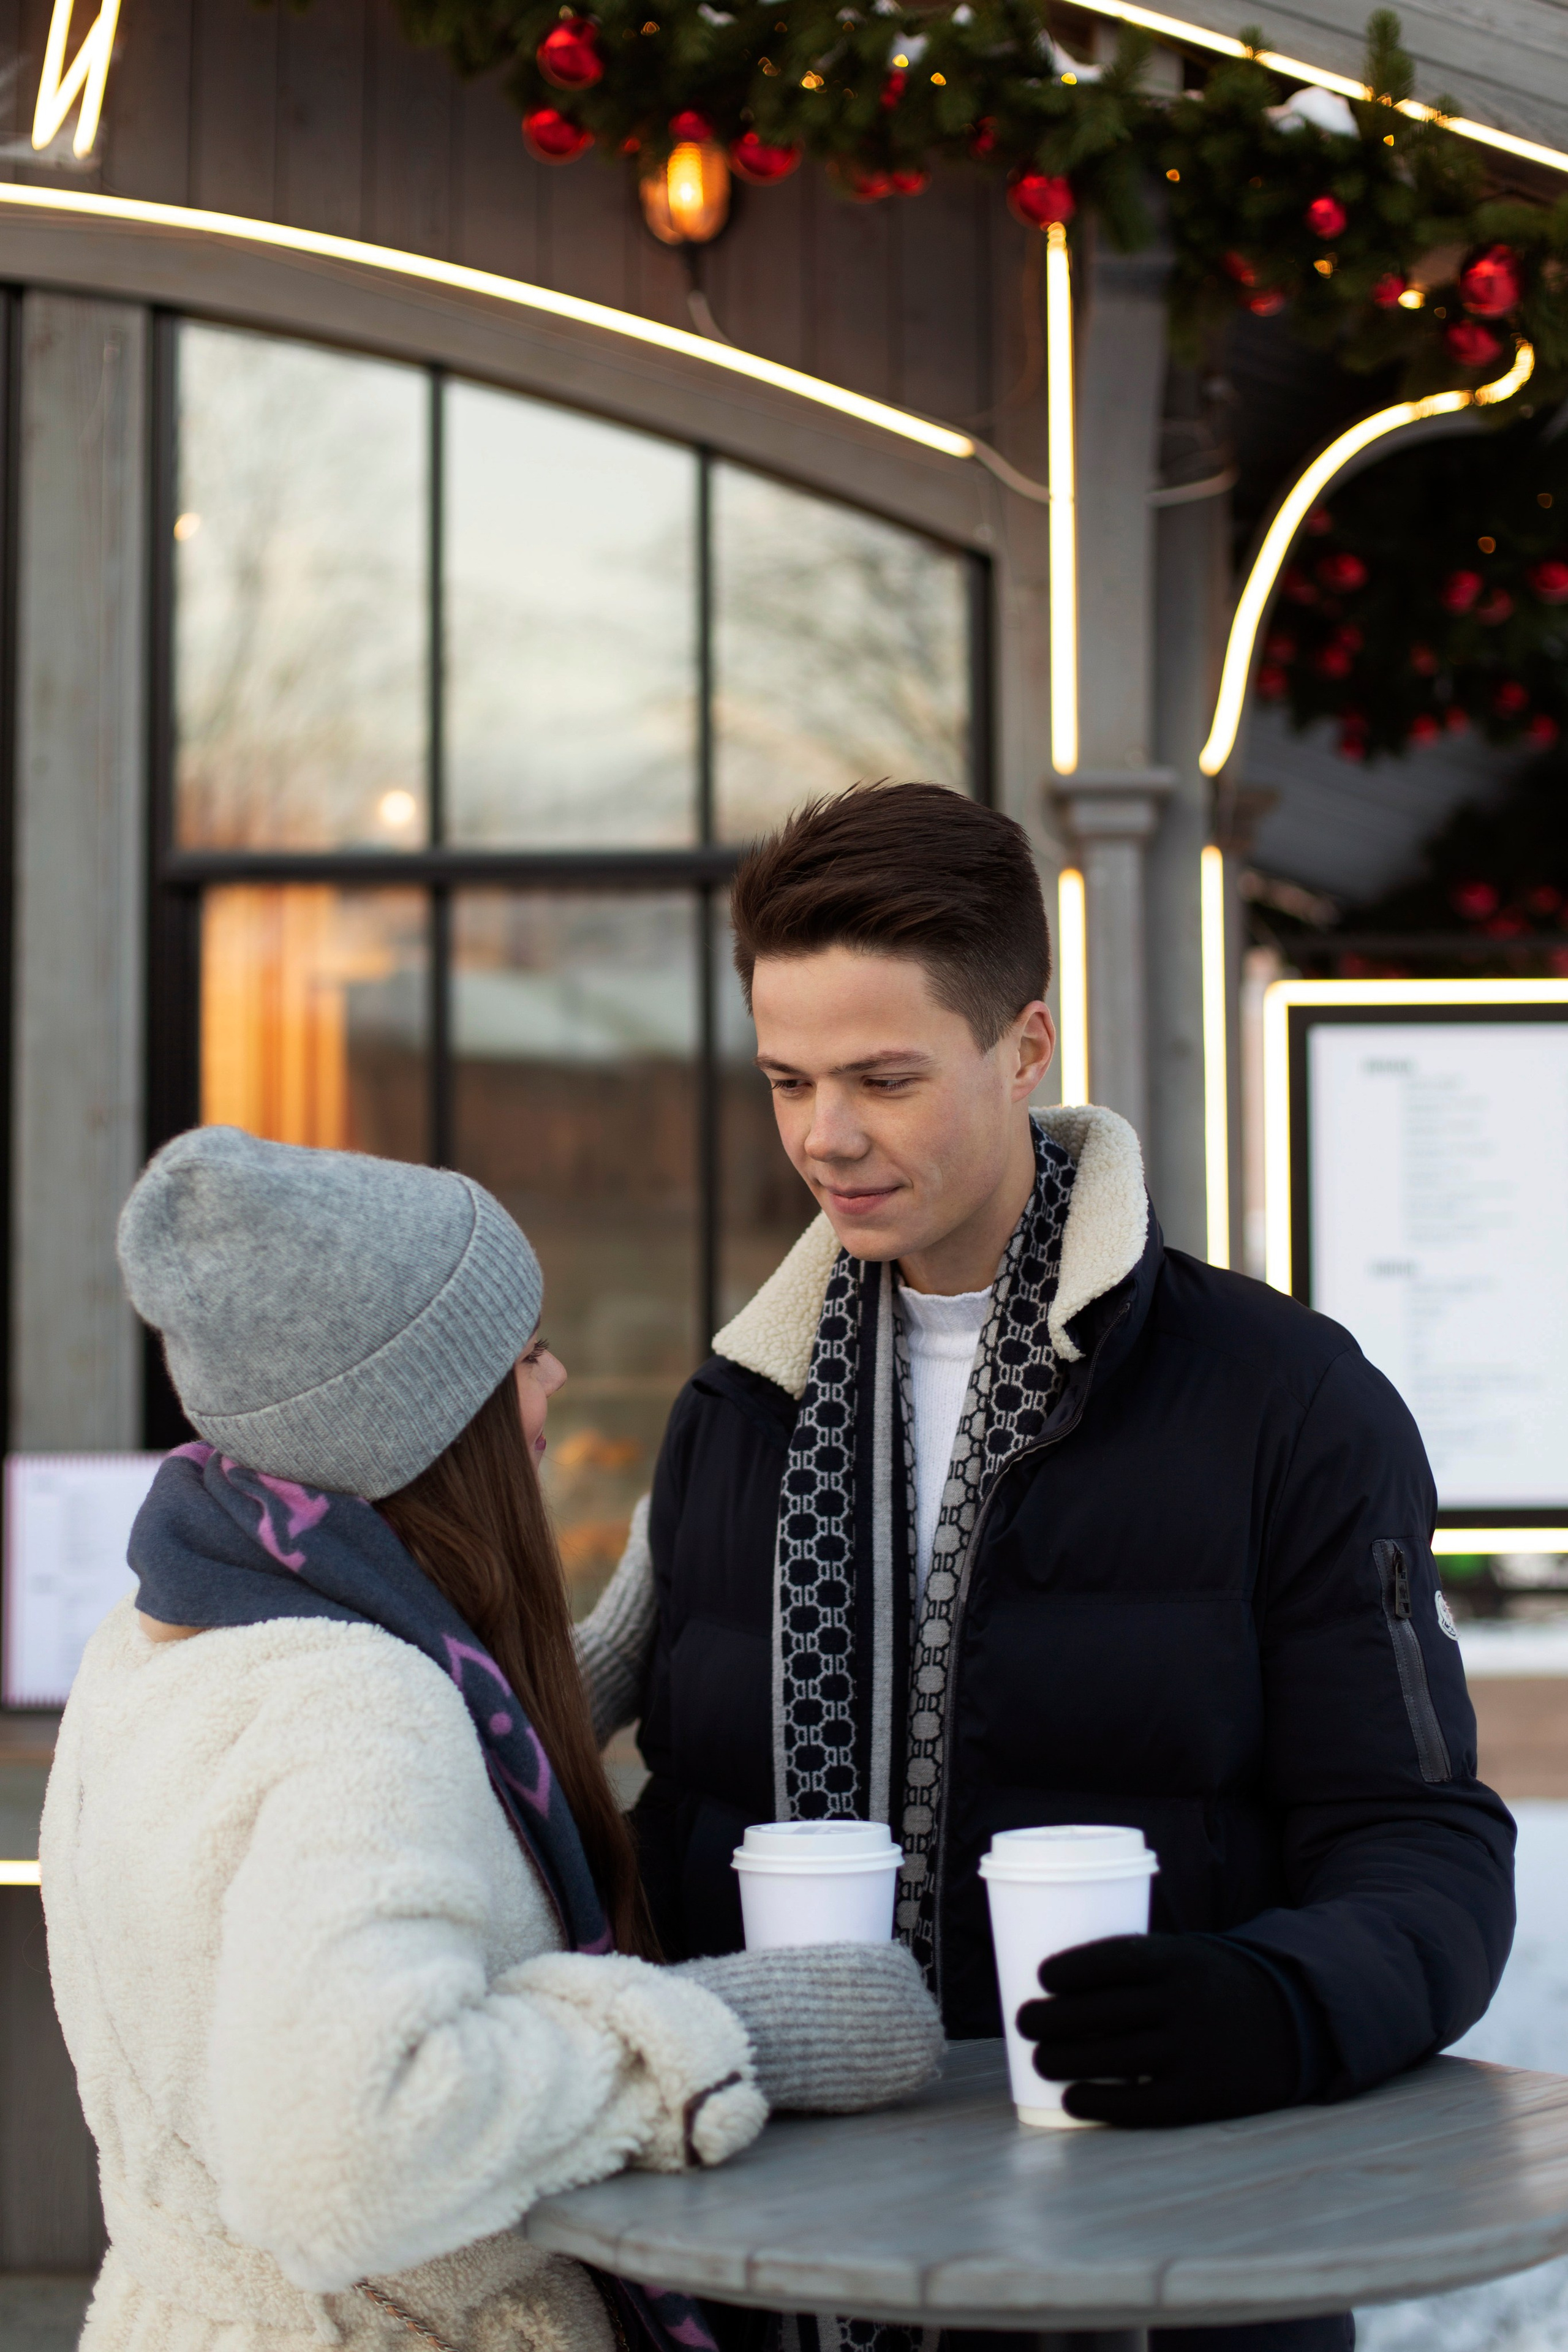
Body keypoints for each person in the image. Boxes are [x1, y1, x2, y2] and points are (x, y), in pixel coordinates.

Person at [595, 780, 1515, 2352]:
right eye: (786, 1079)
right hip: (776, 2279)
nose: (825, 1136)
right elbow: (677, 1849)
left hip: (1168, 2265)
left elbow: (1418, 1846)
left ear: (1024, 1043)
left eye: (883, 1078)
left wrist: (1278, 2004)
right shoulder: (732, 1411)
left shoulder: (1283, 1400)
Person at [42, 1126, 941, 2352]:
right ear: (421, 1422)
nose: (559, 1377)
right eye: (524, 1356)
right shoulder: (359, 1707)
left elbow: (377, 1778)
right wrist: (737, 2032)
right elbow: (336, 2148)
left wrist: (627, 1632)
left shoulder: (163, 1639)